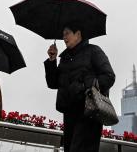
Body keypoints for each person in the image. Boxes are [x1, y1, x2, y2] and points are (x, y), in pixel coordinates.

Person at [44, 23, 116, 152]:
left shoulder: (94, 51)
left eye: (67, 33)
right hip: (70, 113)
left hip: (89, 113)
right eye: (63, 34)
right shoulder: (65, 58)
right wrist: (52, 60)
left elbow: (109, 76)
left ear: (78, 34)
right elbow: (53, 83)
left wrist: (84, 87)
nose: (64, 37)